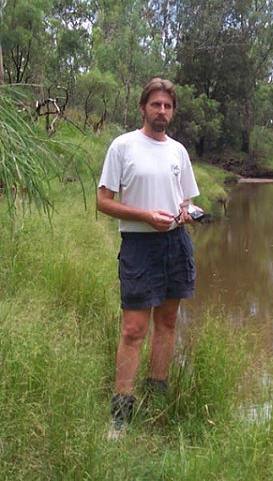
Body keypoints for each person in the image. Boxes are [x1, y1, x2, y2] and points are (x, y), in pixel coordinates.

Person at [97, 77, 201, 439]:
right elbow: (103, 201)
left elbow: (185, 199)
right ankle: (120, 414)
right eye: (155, 104)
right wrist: (145, 216)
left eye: (167, 106)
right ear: (143, 107)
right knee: (133, 330)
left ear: (173, 111)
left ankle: (157, 395)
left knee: (168, 323)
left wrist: (185, 212)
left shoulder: (178, 151)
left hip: (176, 243)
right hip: (139, 246)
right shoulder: (123, 146)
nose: (162, 111)